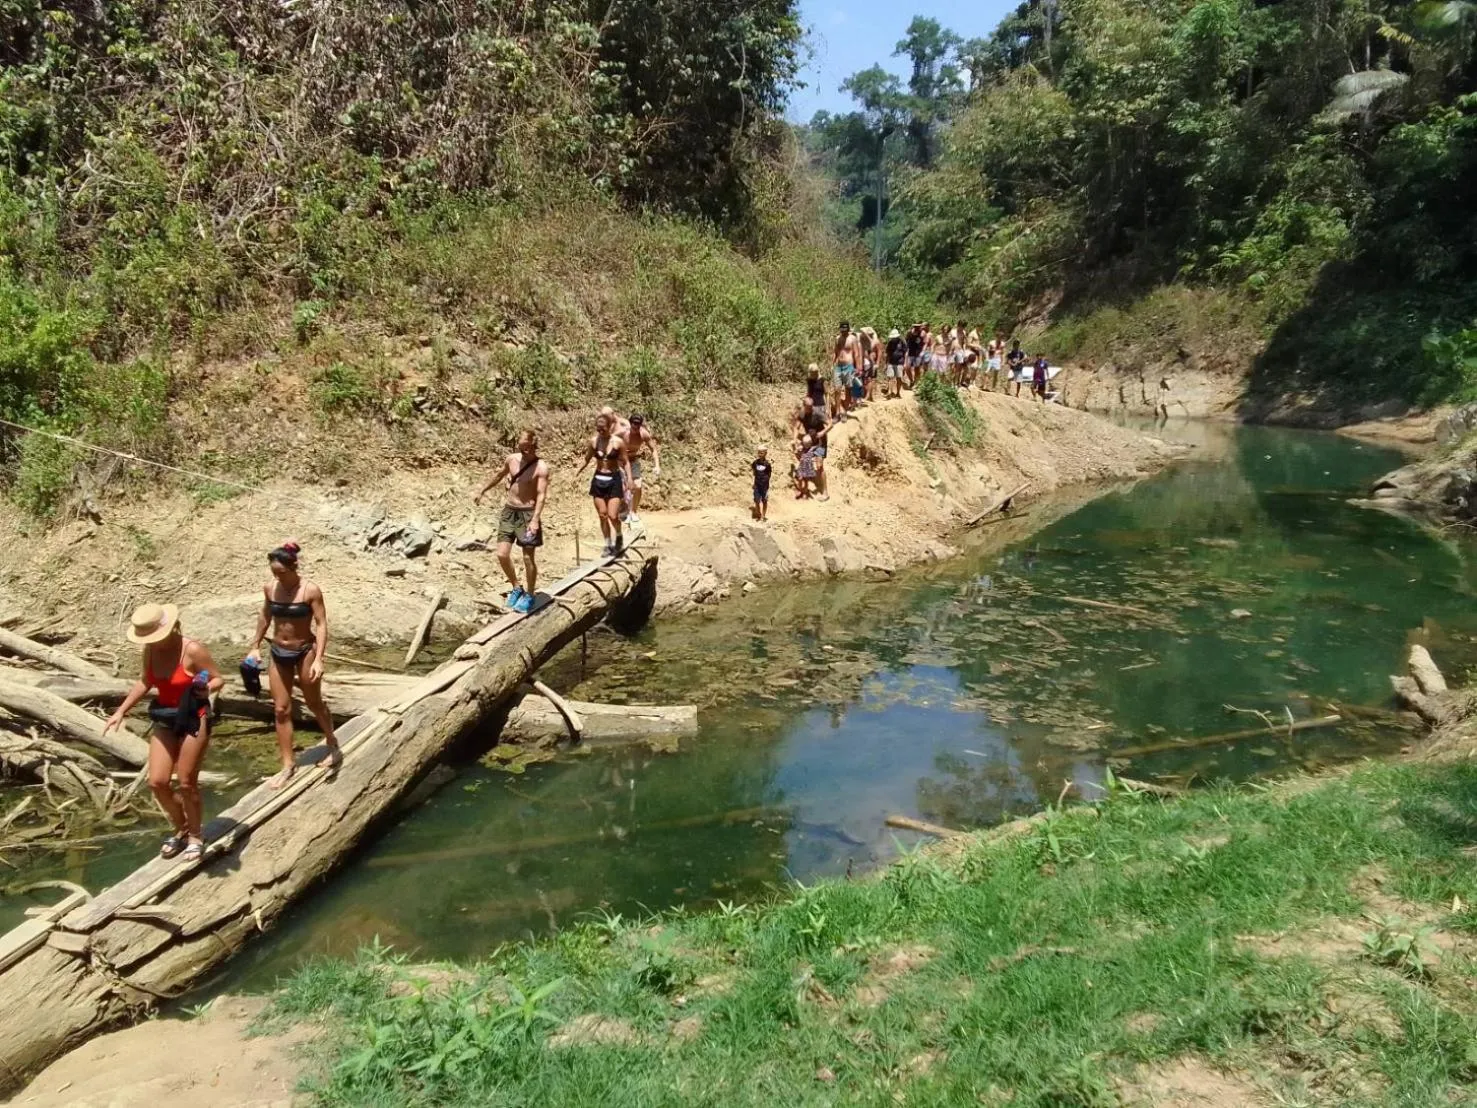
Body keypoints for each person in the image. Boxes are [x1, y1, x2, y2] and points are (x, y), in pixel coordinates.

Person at [105, 604, 223, 860]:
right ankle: (182, 828)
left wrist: (206, 690)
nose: (153, 642)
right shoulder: (150, 651)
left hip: (194, 716)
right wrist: (121, 711)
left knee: (186, 781)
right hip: (166, 716)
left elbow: (217, 678)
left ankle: (195, 835)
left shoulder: (192, 649)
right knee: (157, 782)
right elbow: (146, 681)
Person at [245, 542, 341, 788]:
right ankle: (288, 765)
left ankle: (332, 744)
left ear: (294, 567)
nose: (277, 576)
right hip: (278, 652)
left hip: (305, 651)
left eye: (281, 572)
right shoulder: (270, 588)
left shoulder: (310, 591)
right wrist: (255, 645)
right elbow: (265, 616)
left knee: (313, 702)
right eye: (274, 572)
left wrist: (319, 658)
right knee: (280, 709)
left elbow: (321, 624)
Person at [474, 429, 548, 614]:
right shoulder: (511, 459)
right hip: (509, 511)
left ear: (532, 443)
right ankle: (516, 587)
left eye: (525, 444)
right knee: (502, 554)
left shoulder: (541, 467)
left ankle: (530, 594)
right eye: (520, 444)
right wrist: (482, 490)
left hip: (528, 514)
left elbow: (541, 495)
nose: (522, 447)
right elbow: (500, 475)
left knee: (527, 557)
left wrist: (535, 520)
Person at [577, 412, 632, 556]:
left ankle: (619, 537)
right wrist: (578, 471)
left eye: (604, 429)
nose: (601, 432)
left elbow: (625, 462)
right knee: (602, 515)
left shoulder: (618, 442)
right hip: (599, 479)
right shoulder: (594, 441)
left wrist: (629, 479)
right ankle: (607, 544)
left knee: (613, 515)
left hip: (614, 479)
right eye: (598, 429)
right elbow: (587, 458)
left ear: (610, 427)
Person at [625, 413, 661, 522]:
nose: (635, 428)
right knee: (623, 487)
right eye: (633, 425)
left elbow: (653, 449)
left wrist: (657, 465)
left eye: (638, 425)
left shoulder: (643, 434)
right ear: (630, 423)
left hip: (633, 461)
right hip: (621, 462)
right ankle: (625, 511)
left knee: (638, 486)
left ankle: (633, 512)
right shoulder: (623, 433)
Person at [795, 396, 831, 500]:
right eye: (808, 407)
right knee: (799, 455)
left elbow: (830, 424)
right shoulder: (802, 413)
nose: (810, 409)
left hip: (820, 442)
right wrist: (795, 441)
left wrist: (823, 432)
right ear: (804, 406)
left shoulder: (818, 413)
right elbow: (796, 427)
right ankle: (804, 486)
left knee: (819, 466)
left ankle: (825, 492)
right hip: (809, 441)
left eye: (811, 407)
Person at [832, 321, 862, 417]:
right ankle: (837, 412)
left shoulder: (852, 339)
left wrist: (858, 368)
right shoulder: (837, 338)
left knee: (848, 389)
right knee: (837, 389)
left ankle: (844, 410)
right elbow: (835, 352)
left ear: (848, 329)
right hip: (838, 366)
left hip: (849, 366)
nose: (843, 332)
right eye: (842, 330)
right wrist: (832, 364)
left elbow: (857, 354)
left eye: (845, 330)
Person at [885, 328, 906, 399]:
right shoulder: (890, 343)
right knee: (890, 377)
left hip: (900, 362)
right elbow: (887, 353)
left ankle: (898, 393)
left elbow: (905, 353)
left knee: (899, 378)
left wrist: (905, 363)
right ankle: (890, 392)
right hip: (891, 362)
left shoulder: (902, 342)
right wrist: (886, 363)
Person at [752, 446, 773, 520]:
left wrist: (765, 482)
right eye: (759, 452)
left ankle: (763, 516)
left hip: (764, 486)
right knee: (757, 500)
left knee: (764, 501)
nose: (760, 454)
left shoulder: (767, 464)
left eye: (762, 453)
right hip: (757, 485)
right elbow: (754, 473)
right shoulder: (755, 463)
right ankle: (759, 514)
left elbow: (769, 474)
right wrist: (755, 483)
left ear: (765, 453)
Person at [904, 324, 925, 389]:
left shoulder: (922, 334)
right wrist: (905, 352)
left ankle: (916, 382)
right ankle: (911, 381)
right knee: (907, 368)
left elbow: (924, 343)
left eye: (918, 327)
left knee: (917, 369)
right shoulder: (909, 333)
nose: (917, 328)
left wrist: (923, 352)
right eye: (916, 327)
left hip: (918, 354)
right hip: (910, 353)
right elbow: (906, 342)